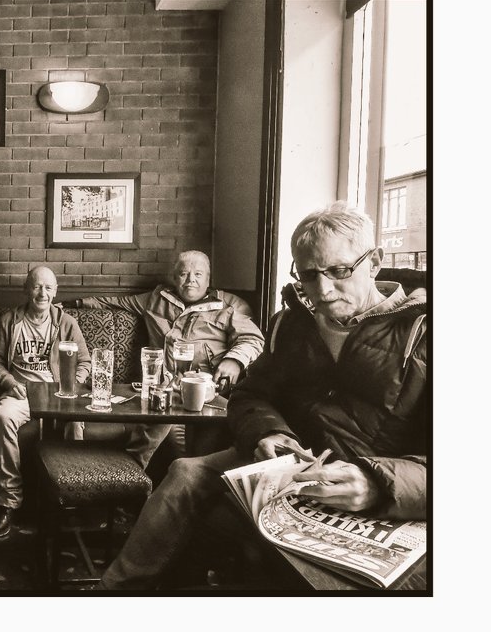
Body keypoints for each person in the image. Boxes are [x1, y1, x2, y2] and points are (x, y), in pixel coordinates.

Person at [98, 202, 428, 589]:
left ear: (374, 262)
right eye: (308, 275)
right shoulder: (292, 323)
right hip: (287, 469)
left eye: (339, 271)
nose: (322, 291)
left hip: (373, 487)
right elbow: (251, 395)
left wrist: (377, 482)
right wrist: (267, 432)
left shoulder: (423, 334)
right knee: (185, 472)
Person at [74, 250, 265, 467]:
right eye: (184, 274)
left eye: (198, 274)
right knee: (167, 426)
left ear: (208, 279)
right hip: (166, 387)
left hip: (209, 390)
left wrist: (234, 360)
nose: (191, 280)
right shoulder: (156, 299)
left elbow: (253, 338)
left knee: (196, 432)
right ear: (175, 278)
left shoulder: (227, 307)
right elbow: (114, 301)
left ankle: (139, 469)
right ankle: (130, 472)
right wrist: (75, 302)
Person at [0, 266, 91, 538]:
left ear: (55, 292)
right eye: (36, 286)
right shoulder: (10, 321)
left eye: (48, 287)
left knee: (75, 420)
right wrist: (9, 382)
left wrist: (71, 385)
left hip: (58, 392)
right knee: (3, 417)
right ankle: (8, 502)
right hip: (20, 390)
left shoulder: (67, 323)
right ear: (26, 290)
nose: (42, 293)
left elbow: (85, 362)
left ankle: (72, 499)